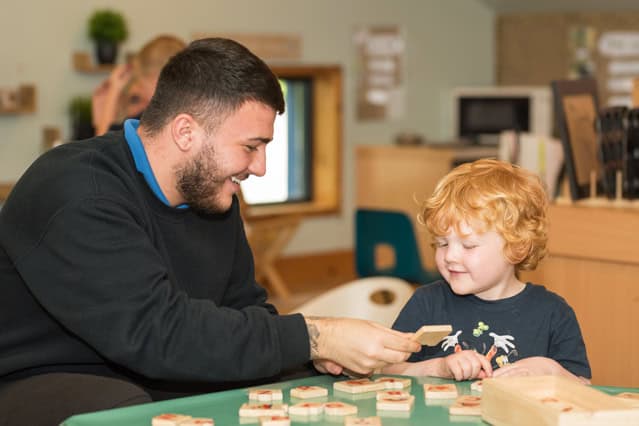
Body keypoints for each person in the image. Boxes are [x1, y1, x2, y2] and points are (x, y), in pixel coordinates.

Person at [0, 37, 421, 424]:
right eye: (251, 147)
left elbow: (244, 314)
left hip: (154, 368)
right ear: (186, 132)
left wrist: (318, 359)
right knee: (128, 411)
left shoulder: (212, 197)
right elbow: (156, 332)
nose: (260, 167)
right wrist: (314, 337)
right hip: (34, 380)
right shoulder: (78, 190)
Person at [383, 159, 591, 383]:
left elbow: (583, 388)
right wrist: (438, 367)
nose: (450, 256)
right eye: (442, 244)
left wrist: (550, 370)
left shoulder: (553, 313)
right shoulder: (427, 303)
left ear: (517, 247)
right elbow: (385, 370)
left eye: (468, 245)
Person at [91, 34, 186, 136]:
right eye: (135, 100)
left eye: (141, 85)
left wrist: (112, 96)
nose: (142, 108)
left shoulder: (158, 122)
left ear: (155, 79)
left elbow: (104, 147)